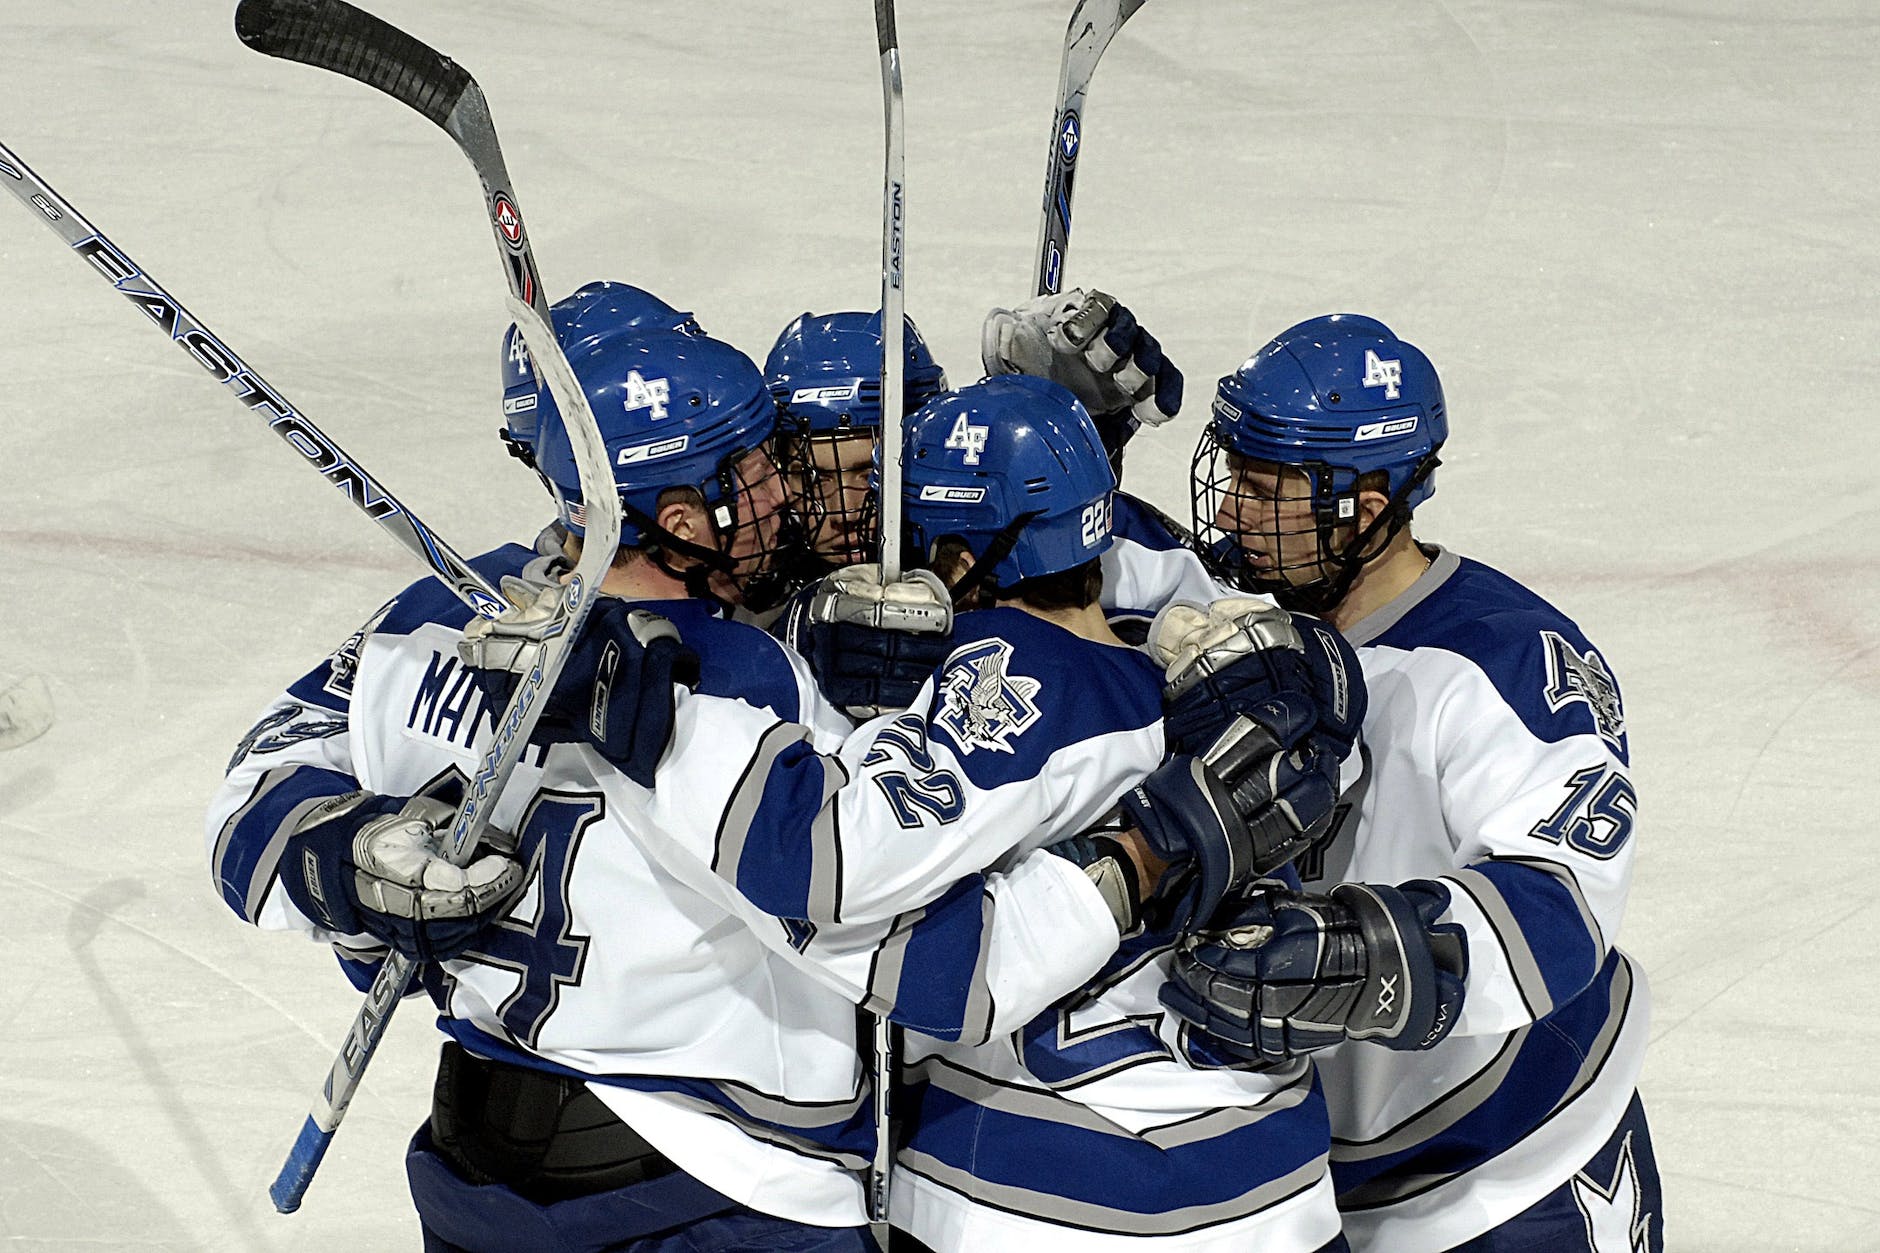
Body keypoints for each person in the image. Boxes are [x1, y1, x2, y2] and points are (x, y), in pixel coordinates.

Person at [209, 315, 1323, 1251]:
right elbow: (867, 888)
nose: (786, 491)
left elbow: (258, 778)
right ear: (686, 516)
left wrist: (337, 855)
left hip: (475, 1159)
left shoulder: (439, 620)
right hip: (721, 1182)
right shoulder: (751, 669)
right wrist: (1135, 860)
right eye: (754, 467)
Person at [1165, 314, 1661, 1252]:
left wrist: (1362, 957)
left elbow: (1562, 910)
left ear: (1359, 505)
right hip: (1341, 1189)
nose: (1229, 512)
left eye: (1263, 489)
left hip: (1520, 1171)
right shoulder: (1258, 642)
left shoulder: (1507, 662)